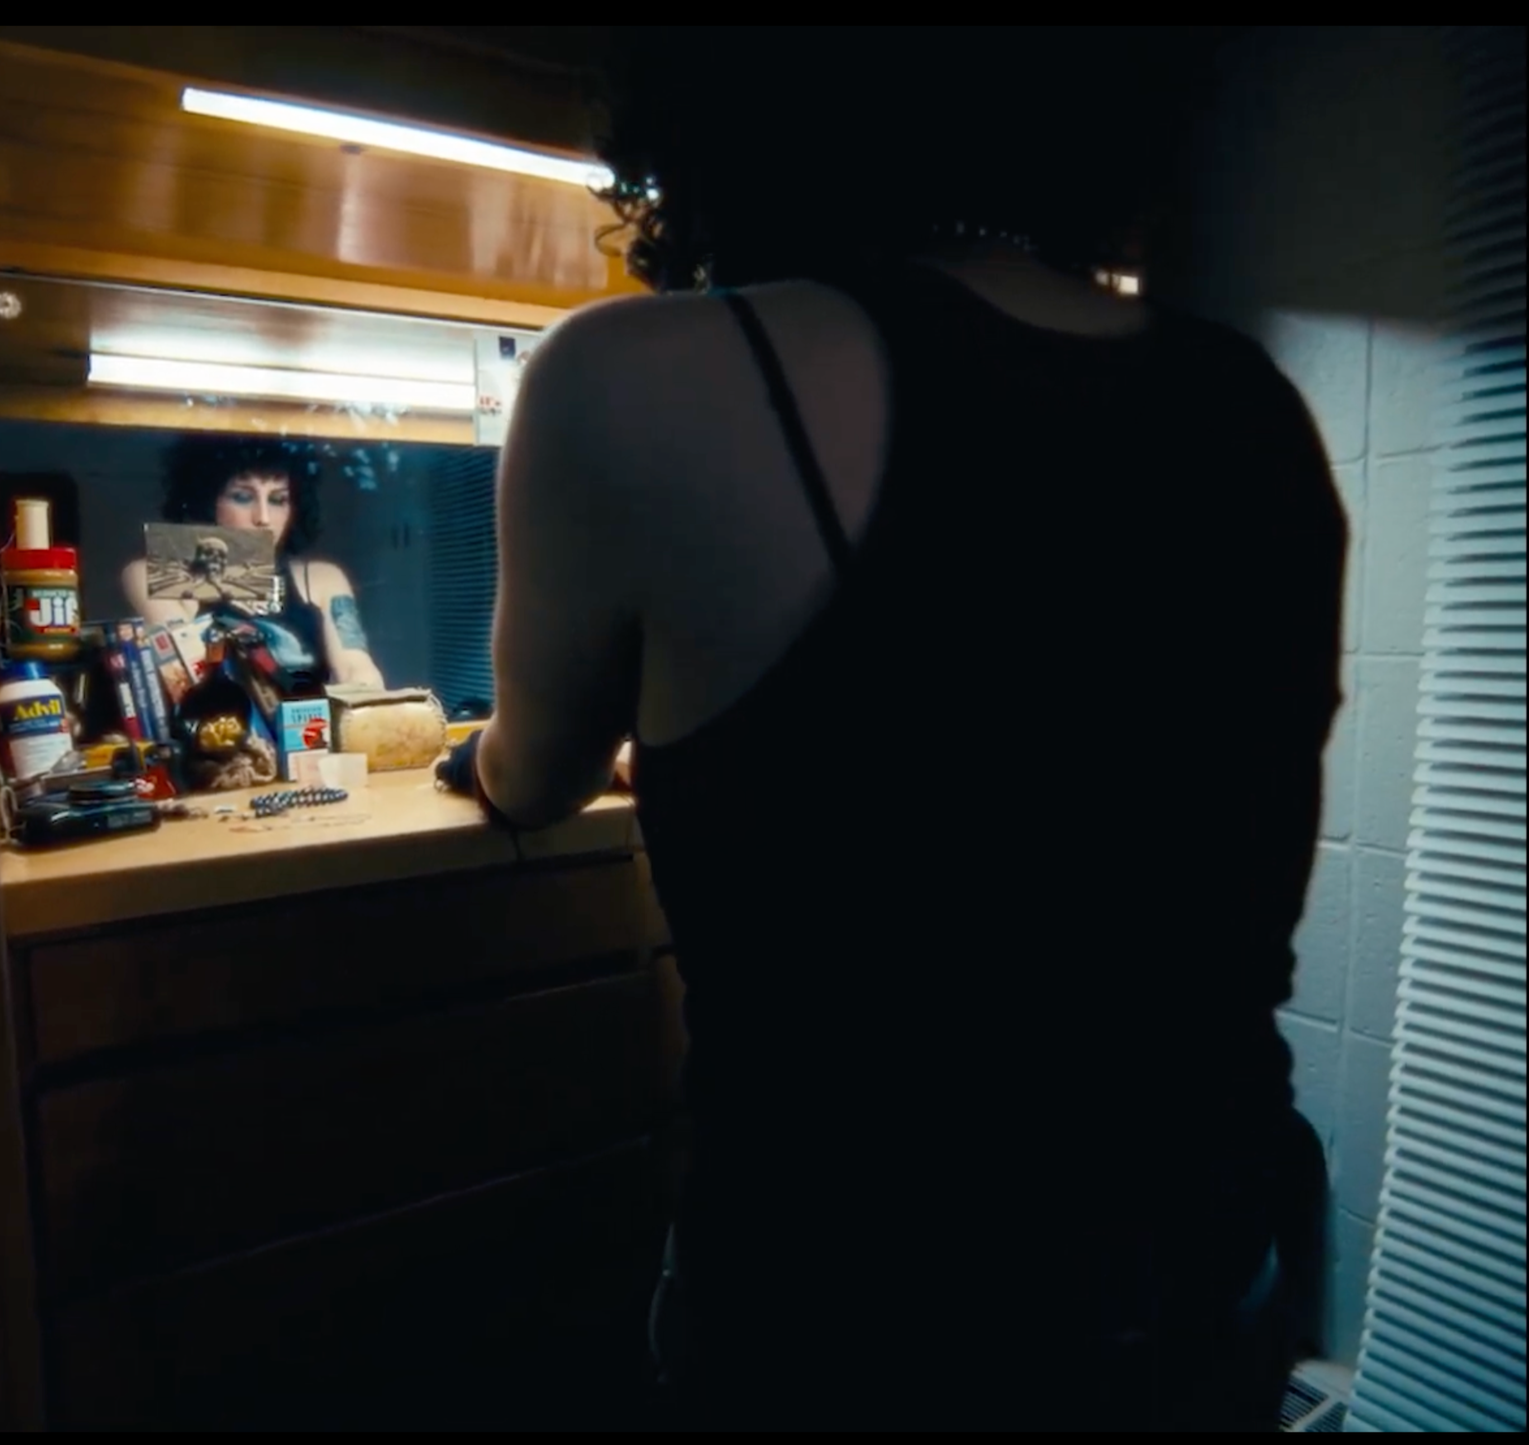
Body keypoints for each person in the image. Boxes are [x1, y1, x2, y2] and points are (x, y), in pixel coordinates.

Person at [436, 26, 1344, 1432]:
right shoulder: (1247, 401)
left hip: (849, 1287)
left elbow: (535, 775)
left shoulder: (632, 369)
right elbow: (1059, 735)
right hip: (1189, 1242)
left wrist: (487, 757)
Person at [122, 434, 386, 689]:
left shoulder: (320, 579)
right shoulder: (150, 573)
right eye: (243, 497)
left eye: (277, 499)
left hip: (310, 732)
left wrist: (366, 689)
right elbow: (190, 673)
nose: (263, 518)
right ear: (206, 500)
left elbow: (355, 666)